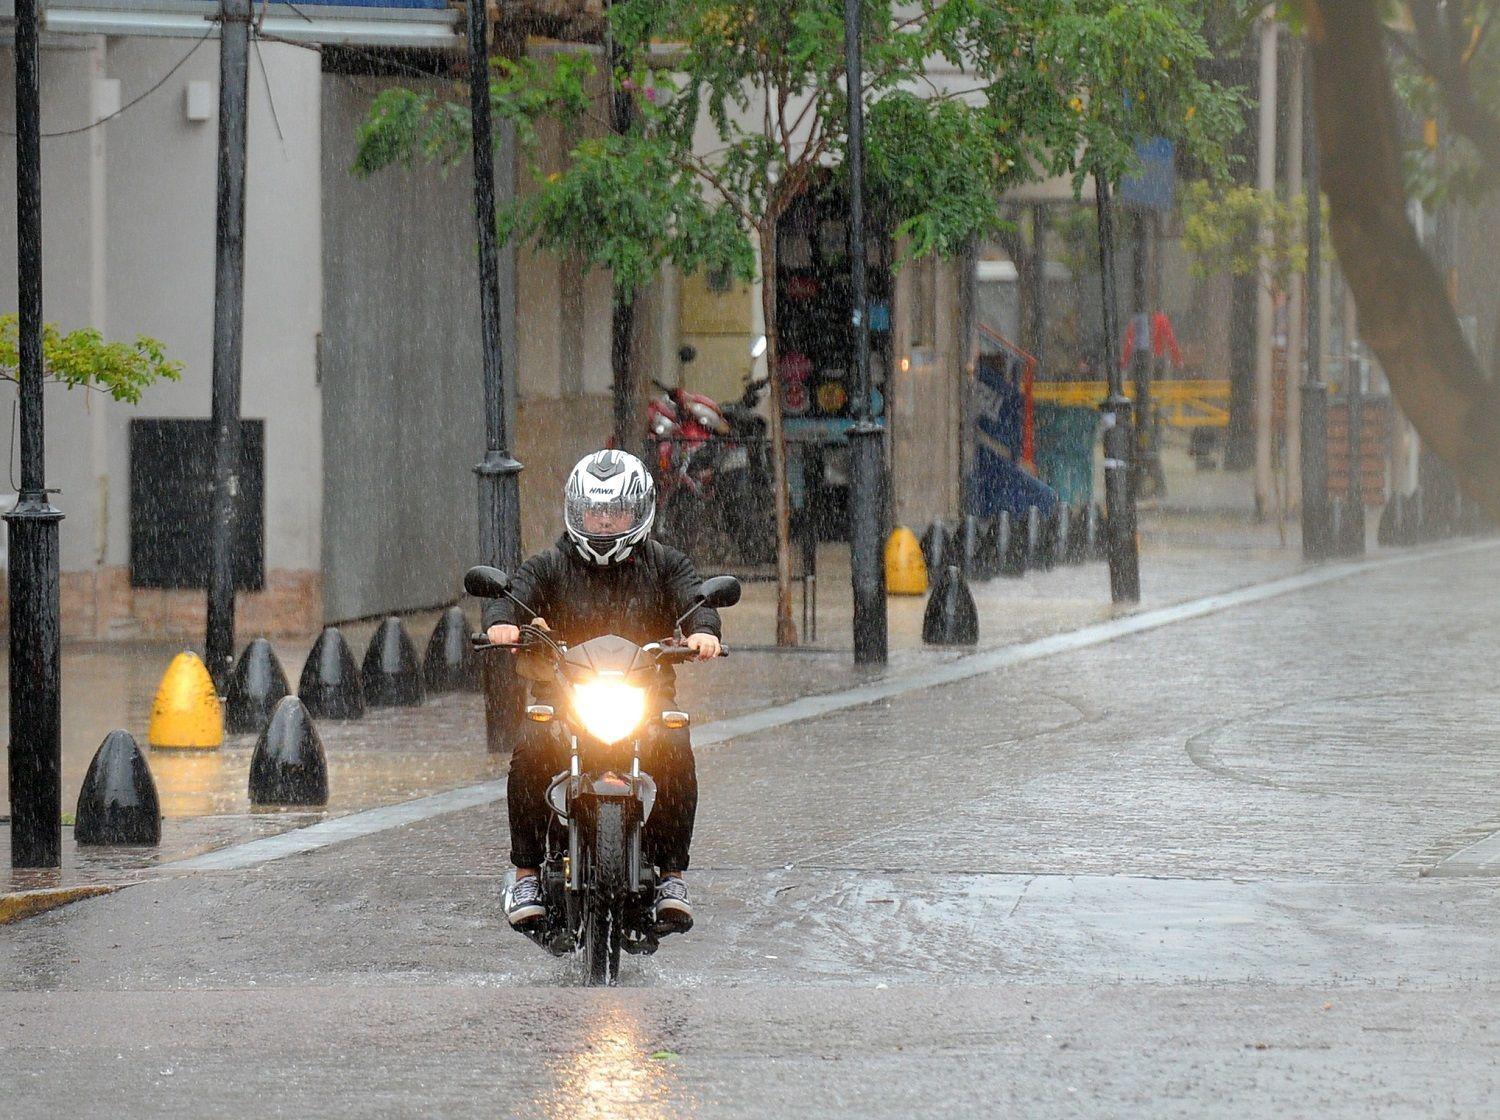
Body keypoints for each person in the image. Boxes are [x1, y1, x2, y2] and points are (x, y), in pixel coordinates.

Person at [483, 449, 722, 934]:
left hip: (645, 695)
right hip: (566, 695)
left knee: (675, 741)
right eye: (595, 510)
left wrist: (704, 630)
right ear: (576, 511)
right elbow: (514, 597)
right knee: (532, 742)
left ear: (640, 512)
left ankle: (672, 876)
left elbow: (696, 599)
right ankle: (525, 874)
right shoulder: (551, 564)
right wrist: (502, 623)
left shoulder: (665, 564)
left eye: (617, 511)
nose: (606, 521)